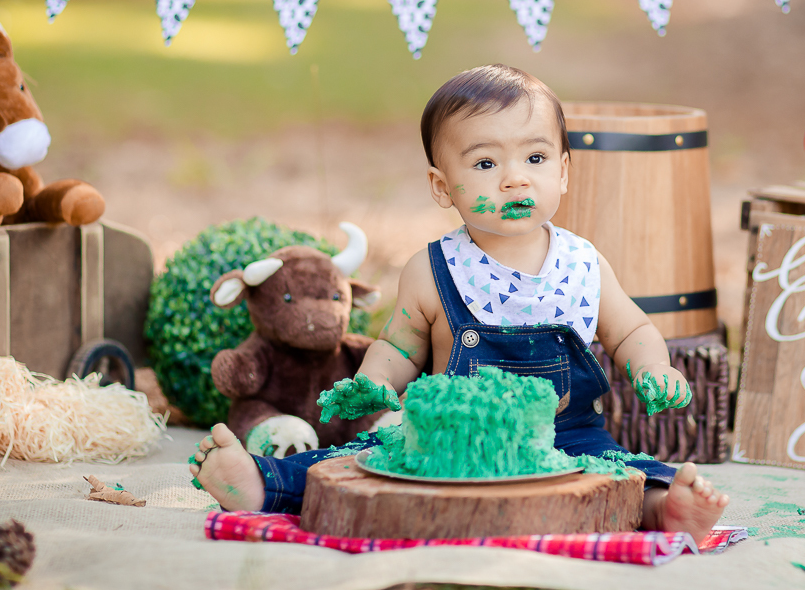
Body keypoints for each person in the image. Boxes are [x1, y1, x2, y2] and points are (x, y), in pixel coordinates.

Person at [190, 64, 730, 539]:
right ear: (442, 186)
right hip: (446, 441)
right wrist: (374, 384)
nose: (515, 178)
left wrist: (653, 366)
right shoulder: (432, 268)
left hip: (565, 437)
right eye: (485, 165)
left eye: (536, 157)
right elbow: (398, 344)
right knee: (359, 462)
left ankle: (667, 510)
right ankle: (260, 485)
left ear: (563, 170)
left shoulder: (584, 263)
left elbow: (630, 330)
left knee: (624, 471)